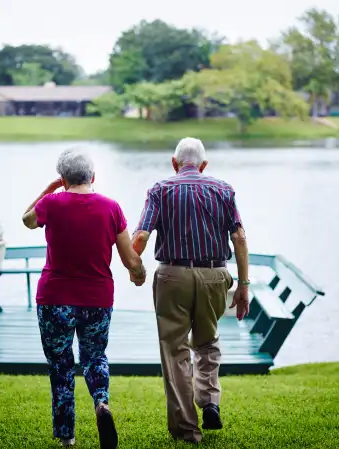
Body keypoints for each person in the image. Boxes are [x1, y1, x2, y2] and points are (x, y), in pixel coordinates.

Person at [22, 150, 146, 449]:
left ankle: (67, 437)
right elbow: (130, 258)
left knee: (61, 366)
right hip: (97, 299)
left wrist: (49, 190)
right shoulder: (111, 208)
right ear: (93, 176)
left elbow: (27, 220)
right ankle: (101, 403)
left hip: (54, 299)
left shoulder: (51, 204)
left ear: (62, 178)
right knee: (94, 357)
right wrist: (139, 273)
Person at [132, 137, 251, 444]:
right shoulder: (224, 190)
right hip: (215, 275)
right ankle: (210, 401)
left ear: (174, 163)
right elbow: (239, 238)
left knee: (175, 352)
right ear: (203, 164)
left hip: (173, 276)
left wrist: (135, 267)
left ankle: (188, 429)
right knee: (208, 340)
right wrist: (243, 285)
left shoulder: (160, 190)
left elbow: (142, 234)